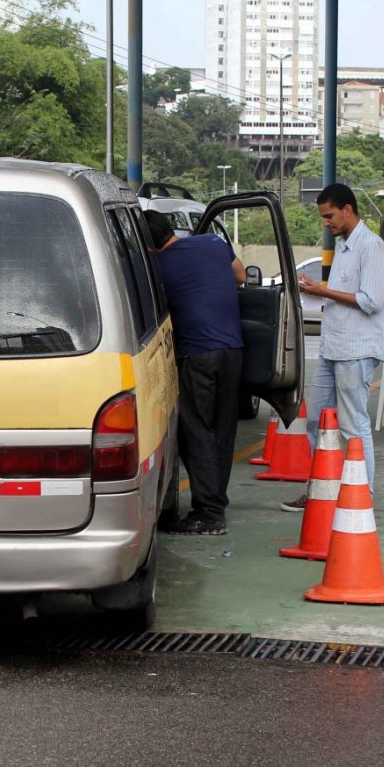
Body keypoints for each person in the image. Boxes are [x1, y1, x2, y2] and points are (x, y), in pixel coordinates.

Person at [282, 183, 384, 511]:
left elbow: (371, 301)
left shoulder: (370, 246)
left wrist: (324, 292)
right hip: (335, 347)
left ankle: (363, 495)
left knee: (352, 423)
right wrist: (323, 292)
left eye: (330, 215)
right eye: (323, 217)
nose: (326, 223)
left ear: (348, 209)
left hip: (357, 349)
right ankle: (321, 489)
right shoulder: (346, 247)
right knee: (316, 417)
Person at [143, 210, 244, 535]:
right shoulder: (213, 243)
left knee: (195, 431)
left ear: (148, 246)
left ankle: (210, 514)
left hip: (198, 355)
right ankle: (216, 504)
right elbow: (241, 276)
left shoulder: (156, 268)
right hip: (233, 350)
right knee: (222, 430)